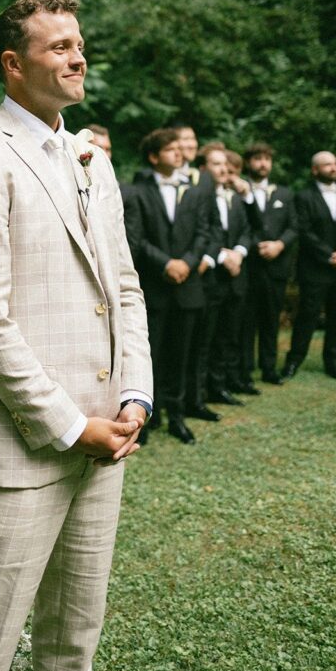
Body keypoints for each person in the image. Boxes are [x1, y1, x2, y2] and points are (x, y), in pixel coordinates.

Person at [0, 0, 152, 671]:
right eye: (59, 47)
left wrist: (133, 394)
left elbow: (124, 286)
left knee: (71, 649)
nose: (78, 56)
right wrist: (67, 424)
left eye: (78, 43)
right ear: (13, 65)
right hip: (21, 448)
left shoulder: (90, 157)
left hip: (106, 437)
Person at [124, 128, 209, 444]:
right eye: (171, 149)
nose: (178, 152)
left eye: (179, 148)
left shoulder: (195, 191)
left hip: (188, 285)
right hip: (155, 285)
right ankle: (147, 417)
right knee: (152, 354)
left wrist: (186, 262)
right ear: (153, 156)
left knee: (181, 354)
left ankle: (177, 416)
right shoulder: (138, 191)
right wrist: (165, 264)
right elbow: (138, 238)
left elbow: (204, 232)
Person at [193, 145, 251, 407]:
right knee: (204, 339)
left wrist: (238, 253)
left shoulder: (235, 198)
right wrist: (221, 257)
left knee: (227, 335)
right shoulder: (199, 196)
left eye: (226, 165)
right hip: (210, 279)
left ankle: (219, 387)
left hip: (235, 277)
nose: (225, 170)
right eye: (218, 164)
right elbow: (204, 233)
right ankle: (198, 393)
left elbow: (248, 230)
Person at [282, 151, 336, 380]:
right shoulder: (304, 197)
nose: (332, 167)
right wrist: (330, 256)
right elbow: (305, 231)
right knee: (307, 316)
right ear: (315, 170)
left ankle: (333, 362)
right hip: (315, 268)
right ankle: (293, 361)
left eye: (334, 164)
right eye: (326, 164)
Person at [241, 142, 297, 384]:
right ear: (248, 163)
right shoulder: (238, 190)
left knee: (271, 319)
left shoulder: (284, 193)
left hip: (276, 268)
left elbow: (294, 225)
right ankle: (244, 370)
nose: (263, 163)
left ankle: (269, 368)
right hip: (249, 267)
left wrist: (279, 245)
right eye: (257, 159)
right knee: (246, 320)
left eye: (267, 159)